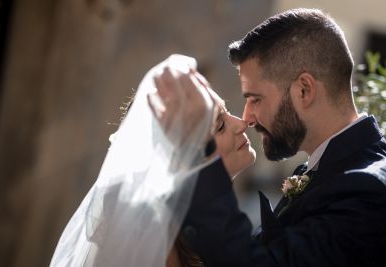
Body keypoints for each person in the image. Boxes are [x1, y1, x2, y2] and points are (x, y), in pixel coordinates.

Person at [154, 8, 386, 267]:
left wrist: (201, 157)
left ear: (303, 90)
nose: (247, 118)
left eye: (255, 99)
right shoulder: (328, 169)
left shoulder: (365, 189)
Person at [49, 55, 255, 267]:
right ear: (177, 161)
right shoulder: (153, 239)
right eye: (219, 126)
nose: (241, 124)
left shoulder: (206, 219)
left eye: (228, 112)